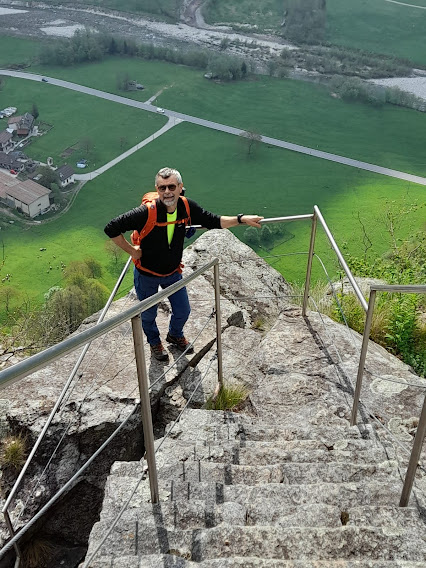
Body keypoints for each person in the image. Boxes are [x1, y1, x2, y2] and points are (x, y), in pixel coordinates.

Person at [104, 167, 263, 361]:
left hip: (172, 272)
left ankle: (175, 334)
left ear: (180, 187)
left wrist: (241, 219)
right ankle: (154, 342)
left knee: (183, 310)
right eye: (162, 188)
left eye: (171, 187)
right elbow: (111, 228)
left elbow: (213, 221)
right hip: (146, 273)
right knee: (148, 315)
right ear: (157, 189)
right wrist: (132, 252)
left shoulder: (187, 207)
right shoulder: (146, 212)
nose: (167, 192)